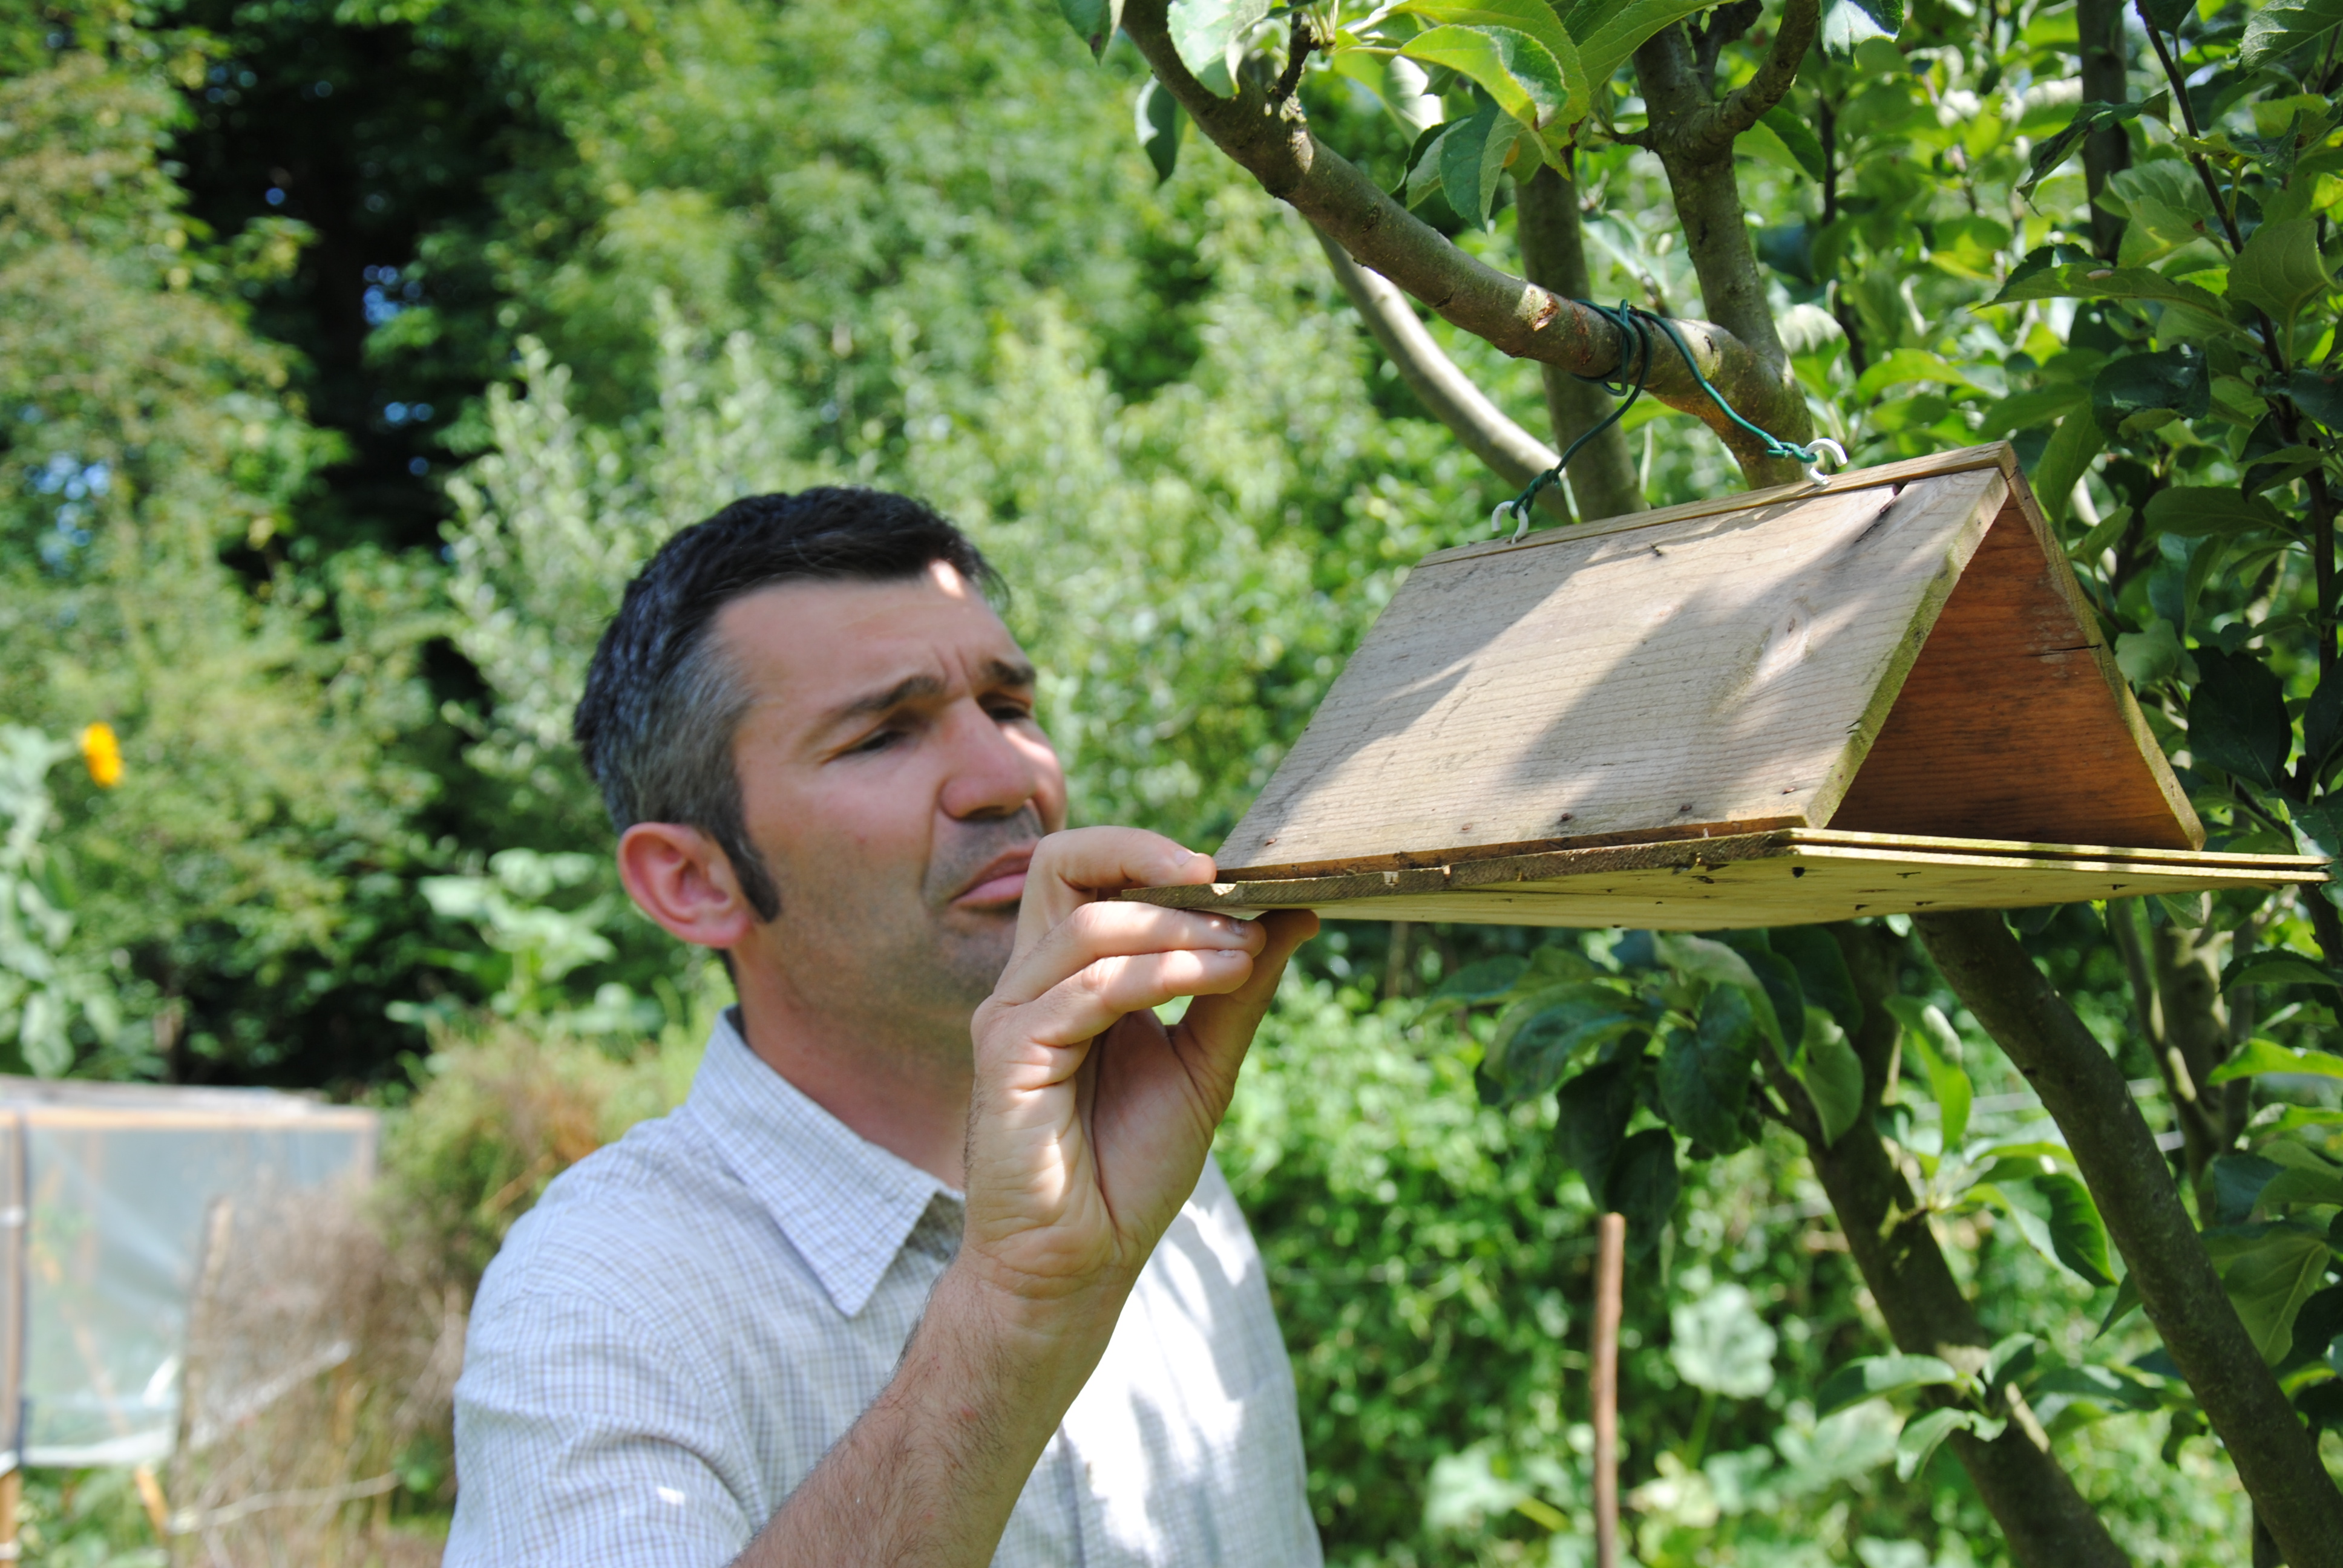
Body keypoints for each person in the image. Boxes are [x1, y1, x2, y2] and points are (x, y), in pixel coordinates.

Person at [444, 488, 1324, 1567]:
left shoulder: (1170, 1172)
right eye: (882, 735)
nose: (1012, 780)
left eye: (1008, 707)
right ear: (693, 880)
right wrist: (1017, 1309)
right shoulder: (601, 1293)